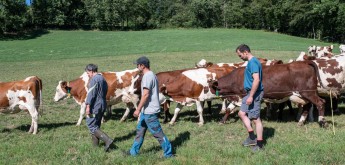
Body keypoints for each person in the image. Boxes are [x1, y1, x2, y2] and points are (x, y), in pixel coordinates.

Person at [126, 56, 173, 158]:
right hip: (145, 111)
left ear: (142, 66)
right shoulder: (151, 74)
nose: (137, 67)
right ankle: (133, 152)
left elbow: (146, 94)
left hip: (150, 111)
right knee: (140, 132)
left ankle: (169, 153)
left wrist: (137, 109)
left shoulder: (147, 76)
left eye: (138, 65)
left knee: (158, 133)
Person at [236, 44, 264, 151]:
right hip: (249, 93)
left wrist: (251, 96)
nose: (240, 57)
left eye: (240, 55)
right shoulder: (251, 62)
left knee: (256, 119)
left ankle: (260, 145)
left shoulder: (253, 62)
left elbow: (256, 80)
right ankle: (252, 137)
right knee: (241, 113)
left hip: (254, 93)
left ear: (245, 52)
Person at [85, 64, 114, 152]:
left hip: (95, 105)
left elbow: (91, 94)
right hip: (102, 103)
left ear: (91, 71)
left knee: (91, 124)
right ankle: (95, 147)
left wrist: (88, 106)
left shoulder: (94, 79)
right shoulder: (102, 78)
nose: (87, 74)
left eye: (88, 73)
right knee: (96, 125)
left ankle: (107, 140)